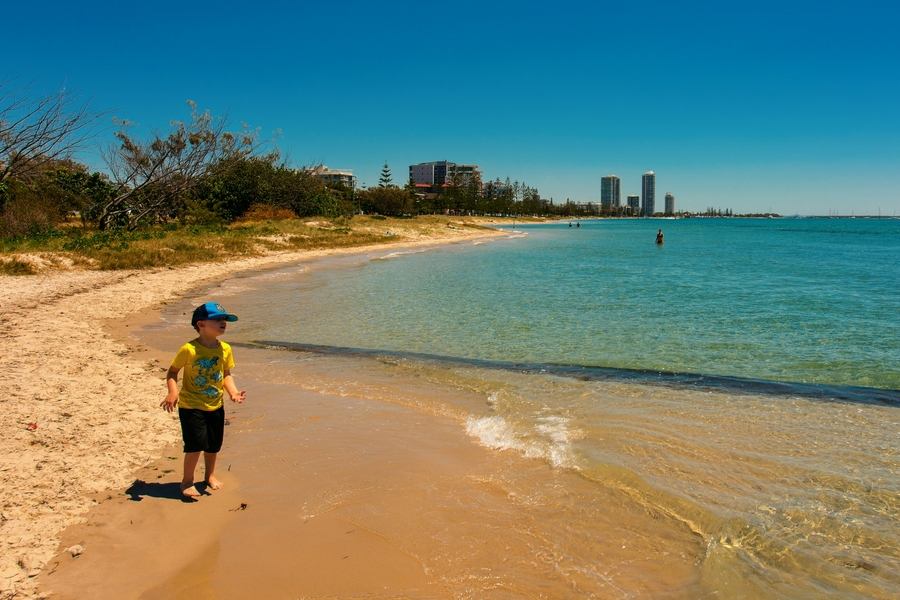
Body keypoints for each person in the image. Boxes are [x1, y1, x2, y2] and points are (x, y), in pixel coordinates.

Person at [161, 302, 246, 499]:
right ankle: (187, 481)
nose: (223, 323)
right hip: (191, 406)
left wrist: (233, 392)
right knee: (195, 445)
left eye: (225, 320)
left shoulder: (225, 349)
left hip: (216, 405)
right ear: (201, 324)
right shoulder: (189, 349)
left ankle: (209, 476)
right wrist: (173, 392)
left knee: (213, 445)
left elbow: (226, 374)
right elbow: (173, 372)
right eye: (217, 320)